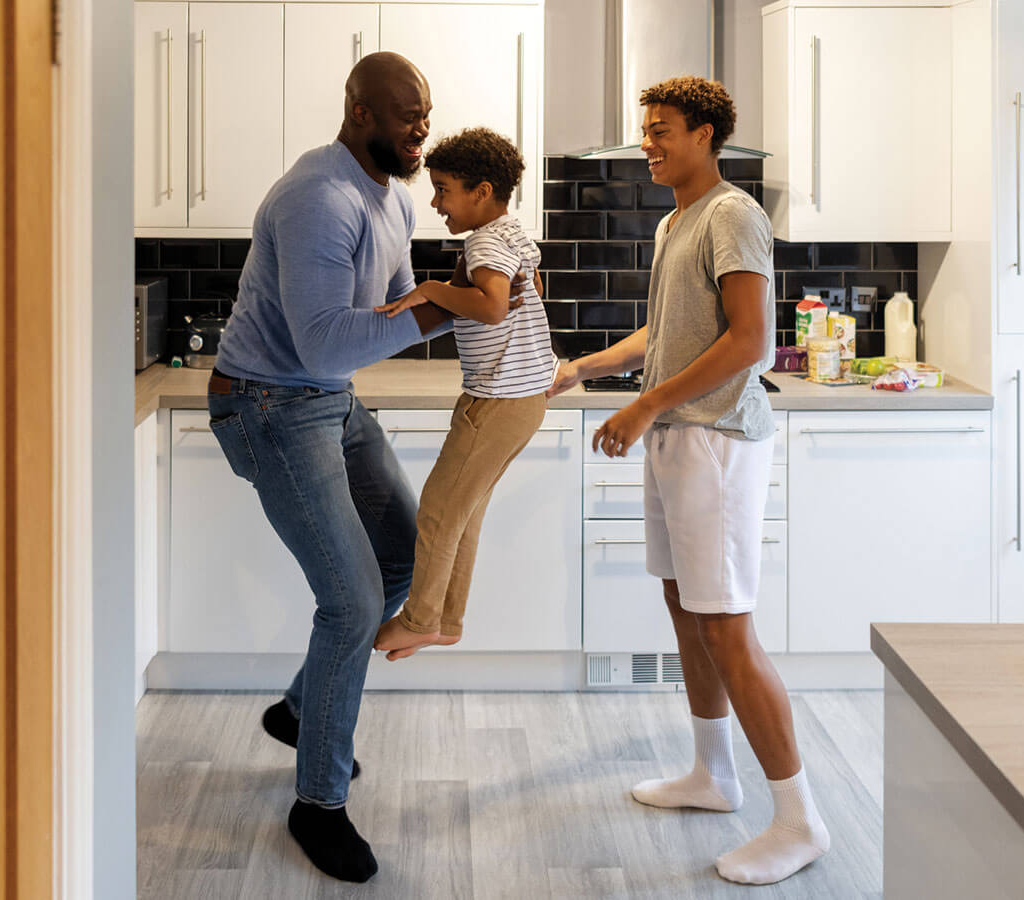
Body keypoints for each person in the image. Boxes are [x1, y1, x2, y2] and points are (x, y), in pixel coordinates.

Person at [548, 76, 832, 886]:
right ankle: (714, 773)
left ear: (706, 134)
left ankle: (800, 821)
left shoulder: (732, 215)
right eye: (645, 129)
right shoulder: (677, 221)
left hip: (716, 443)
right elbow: (670, 330)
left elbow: (750, 342)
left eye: (662, 129)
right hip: (680, 435)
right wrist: (586, 366)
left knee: (728, 628)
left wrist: (644, 406)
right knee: (687, 608)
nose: (648, 144)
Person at [207, 52, 459, 884]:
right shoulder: (319, 197)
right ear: (360, 113)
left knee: (404, 556)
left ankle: (298, 710)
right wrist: (448, 305)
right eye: (406, 114)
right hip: (267, 404)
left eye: (425, 114)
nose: (421, 127)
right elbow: (324, 341)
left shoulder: (394, 197)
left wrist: (457, 301)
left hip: (327, 399)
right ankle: (317, 805)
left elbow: (389, 311)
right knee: (350, 601)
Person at [370, 127, 556, 660]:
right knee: (464, 512)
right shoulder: (512, 233)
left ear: (481, 191)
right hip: (525, 399)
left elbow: (494, 306)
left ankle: (420, 619)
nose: (436, 203)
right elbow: (531, 289)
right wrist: (462, 289)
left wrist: (431, 289)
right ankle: (446, 622)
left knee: (437, 512)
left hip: (497, 399)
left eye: (443, 190)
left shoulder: (483, 242)